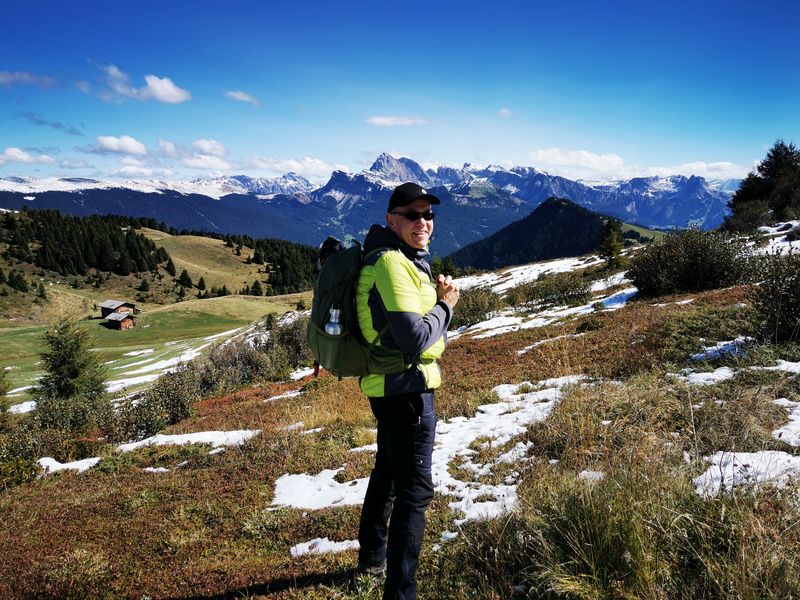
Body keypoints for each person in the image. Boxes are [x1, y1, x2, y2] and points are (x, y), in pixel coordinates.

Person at [355, 182, 460, 599]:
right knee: (414, 492)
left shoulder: (401, 258)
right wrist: (446, 304)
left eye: (428, 215)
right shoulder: (390, 263)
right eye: (413, 215)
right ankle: (401, 593)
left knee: (388, 472)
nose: (423, 222)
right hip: (407, 390)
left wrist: (435, 296)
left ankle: (372, 556)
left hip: (392, 387)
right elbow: (414, 338)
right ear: (391, 220)